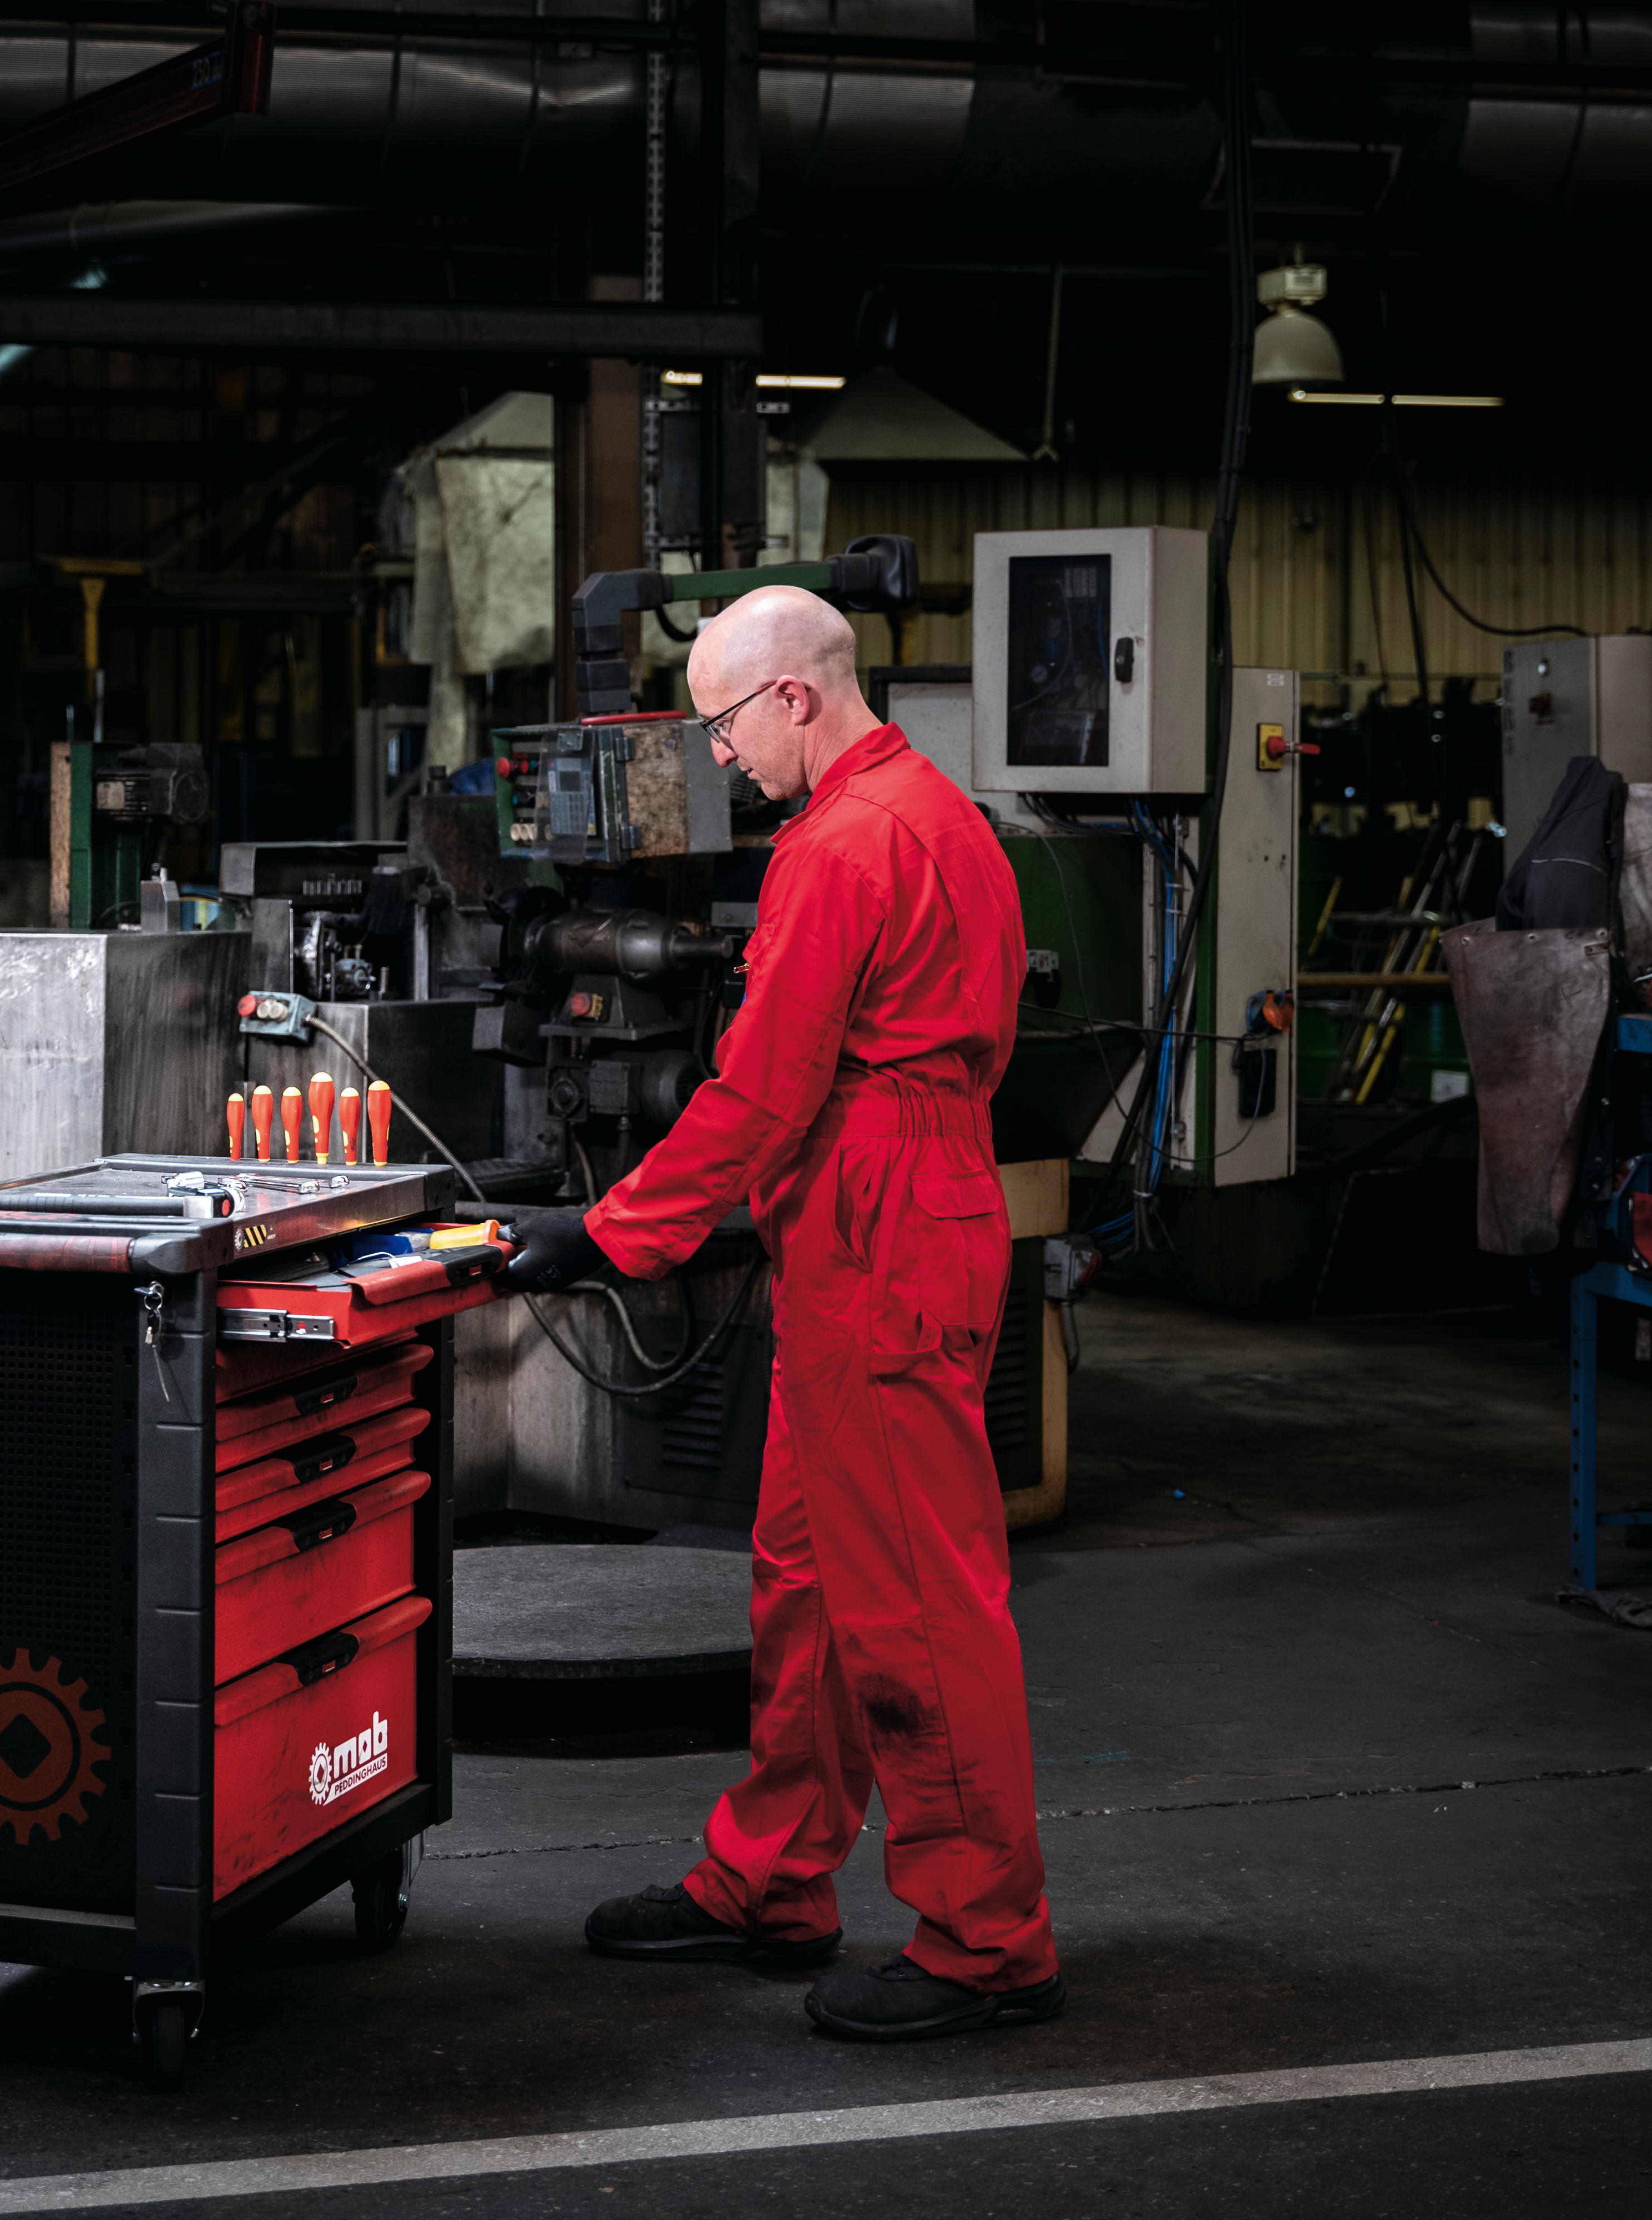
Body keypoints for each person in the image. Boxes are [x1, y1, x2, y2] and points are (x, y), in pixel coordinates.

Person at [501, 584, 1059, 2042]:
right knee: (806, 1581)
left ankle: (985, 1939)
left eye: (724, 725)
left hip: (883, 1228)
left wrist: (609, 1233)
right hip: (892, 1209)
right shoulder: (944, 818)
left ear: (794, 697)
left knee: (915, 1605)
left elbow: (761, 1091)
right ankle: (772, 1878)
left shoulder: (846, 844)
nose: (719, 755)